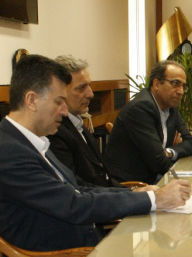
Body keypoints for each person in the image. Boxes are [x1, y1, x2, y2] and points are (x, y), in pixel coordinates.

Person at [0, 54, 191, 257]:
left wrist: (137, 194)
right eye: (59, 101)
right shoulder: (10, 153)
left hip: (78, 252)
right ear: (32, 100)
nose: (64, 109)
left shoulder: (30, 142)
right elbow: (74, 204)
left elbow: (78, 188)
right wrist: (154, 201)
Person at [105, 60, 192, 184]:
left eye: (183, 86)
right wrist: (179, 175)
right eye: (175, 83)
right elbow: (158, 162)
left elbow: (190, 143)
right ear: (156, 84)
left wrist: (169, 152)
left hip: (155, 176)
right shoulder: (141, 108)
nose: (180, 91)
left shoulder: (170, 107)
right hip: (132, 185)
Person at [48, 55, 130, 188]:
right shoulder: (55, 131)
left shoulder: (78, 123)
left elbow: (103, 178)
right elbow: (77, 188)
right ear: (60, 91)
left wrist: (135, 194)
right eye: (81, 88)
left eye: (89, 86)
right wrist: (134, 197)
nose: (91, 94)